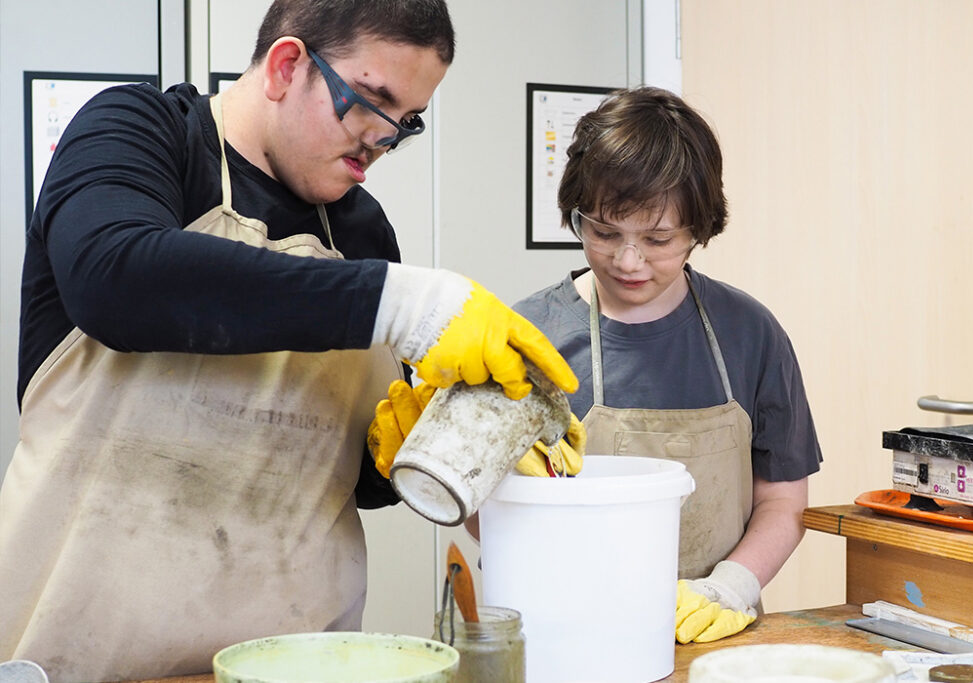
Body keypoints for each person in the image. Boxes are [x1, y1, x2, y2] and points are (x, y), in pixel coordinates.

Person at [0, 2, 576, 681]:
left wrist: (419, 446)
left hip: (296, 660)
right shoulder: (141, 133)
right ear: (286, 65)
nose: (381, 141)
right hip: (84, 656)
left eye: (406, 122)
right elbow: (115, 277)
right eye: (370, 102)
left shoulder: (361, 235)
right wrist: (405, 302)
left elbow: (334, 473)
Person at [512, 86, 822, 644]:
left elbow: (782, 498)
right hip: (567, 631)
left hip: (712, 638)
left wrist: (731, 586)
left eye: (657, 239)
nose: (628, 261)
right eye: (604, 232)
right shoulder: (527, 338)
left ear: (699, 229)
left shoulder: (750, 333)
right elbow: (484, 501)